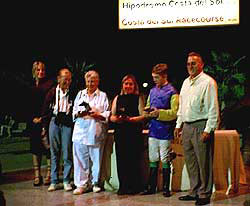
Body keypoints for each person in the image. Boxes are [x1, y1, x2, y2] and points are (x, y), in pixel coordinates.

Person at [174, 52, 219, 206]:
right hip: (187, 126)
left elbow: (213, 108)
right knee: (191, 161)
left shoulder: (208, 82)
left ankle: (204, 193)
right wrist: (178, 124)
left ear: (201, 65)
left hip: (201, 125)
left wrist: (208, 129)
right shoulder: (186, 82)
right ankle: (194, 191)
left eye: (194, 63)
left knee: (203, 162)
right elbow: (182, 105)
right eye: (188, 63)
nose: (190, 66)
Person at [141, 63, 179, 197]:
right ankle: (151, 187)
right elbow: (148, 106)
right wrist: (147, 112)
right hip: (153, 130)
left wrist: (159, 113)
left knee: (165, 158)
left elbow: (174, 112)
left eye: (156, 77)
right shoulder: (152, 91)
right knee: (153, 158)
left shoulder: (172, 92)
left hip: (165, 131)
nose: (154, 80)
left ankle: (166, 188)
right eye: (153, 77)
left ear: (164, 76)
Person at [71, 70, 110, 195]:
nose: (90, 83)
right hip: (80, 131)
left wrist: (98, 114)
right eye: (88, 81)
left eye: (93, 81)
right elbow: (74, 112)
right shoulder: (80, 94)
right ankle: (81, 184)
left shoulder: (102, 95)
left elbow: (107, 114)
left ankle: (95, 183)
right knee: (80, 159)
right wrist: (79, 113)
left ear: (98, 82)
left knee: (96, 159)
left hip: (95, 130)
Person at [41, 68, 75, 192]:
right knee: (54, 152)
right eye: (65, 78)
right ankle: (54, 180)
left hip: (66, 122)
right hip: (54, 122)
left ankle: (66, 180)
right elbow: (45, 110)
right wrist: (44, 127)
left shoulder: (73, 92)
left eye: (69, 79)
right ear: (58, 79)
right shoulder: (52, 92)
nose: (67, 81)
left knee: (67, 151)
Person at [110, 74, 145, 195]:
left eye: (130, 84)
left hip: (134, 133)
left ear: (134, 85)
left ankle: (135, 186)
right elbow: (111, 116)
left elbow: (143, 116)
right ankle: (123, 186)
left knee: (133, 160)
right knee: (121, 160)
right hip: (120, 133)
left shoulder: (138, 98)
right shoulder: (117, 98)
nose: (128, 86)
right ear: (122, 85)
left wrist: (131, 119)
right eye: (126, 84)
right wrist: (117, 119)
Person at [29, 61, 54, 186]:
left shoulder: (50, 85)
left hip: (46, 120)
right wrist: (32, 118)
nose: (41, 72)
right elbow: (27, 105)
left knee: (47, 148)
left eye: (43, 70)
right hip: (33, 121)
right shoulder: (30, 85)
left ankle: (49, 175)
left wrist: (43, 118)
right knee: (35, 148)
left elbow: (51, 105)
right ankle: (37, 175)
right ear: (34, 71)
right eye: (38, 70)